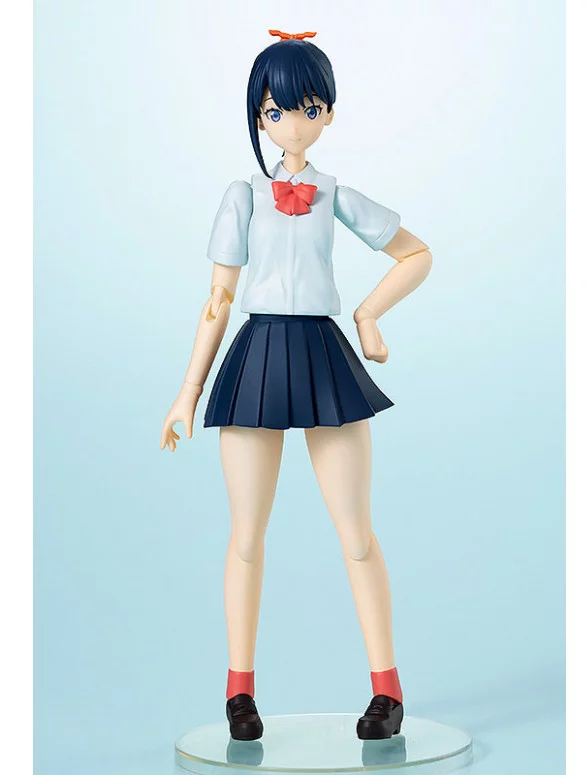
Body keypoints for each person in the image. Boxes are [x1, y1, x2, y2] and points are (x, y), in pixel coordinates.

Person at [160, 29, 432, 741]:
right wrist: (188, 390)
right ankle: (239, 692)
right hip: (256, 356)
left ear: (329, 113)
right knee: (247, 537)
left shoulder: (334, 191)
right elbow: (218, 298)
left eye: (309, 108)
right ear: (259, 116)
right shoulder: (243, 194)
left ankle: (387, 690)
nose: (292, 124)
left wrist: (369, 314)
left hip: (322, 352)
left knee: (357, 534)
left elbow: (415, 253)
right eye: (276, 111)